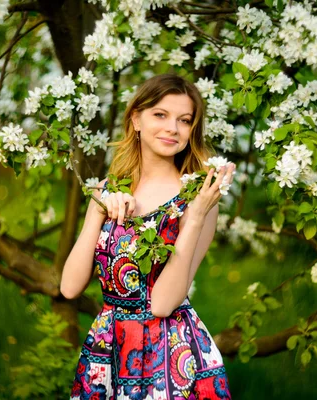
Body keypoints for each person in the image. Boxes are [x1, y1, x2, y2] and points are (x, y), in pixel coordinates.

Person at [61, 73, 235, 399]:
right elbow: (69, 287)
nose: (172, 128)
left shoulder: (198, 200)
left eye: (184, 120)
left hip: (171, 353)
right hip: (108, 348)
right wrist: (98, 211)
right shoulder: (107, 190)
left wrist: (195, 217)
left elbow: (163, 304)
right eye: (160, 114)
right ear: (136, 119)